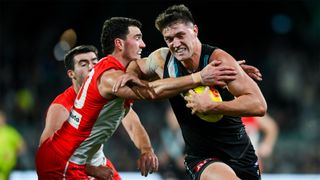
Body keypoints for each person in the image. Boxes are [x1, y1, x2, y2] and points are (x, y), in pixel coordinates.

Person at [35, 17, 229, 179]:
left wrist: (223, 68)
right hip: (62, 163)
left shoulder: (123, 73)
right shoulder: (110, 78)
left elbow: (133, 118)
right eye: (137, 38)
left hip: (87, 158)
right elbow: (153, 92)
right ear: (119, 44)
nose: (143, 44)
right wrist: (200, 78)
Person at [116, 4, 267, 179]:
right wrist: (132, 75)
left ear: (194, 30)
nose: (176, 44)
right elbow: (136, 65)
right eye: (169, 39)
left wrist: (213, 107)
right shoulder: (162, 60)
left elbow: (259, 105)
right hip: (201, 157)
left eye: (180, 35)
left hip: (240, 154)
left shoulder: (219, 62)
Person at [38, 45, 121, 179]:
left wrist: (145, 148)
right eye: (84, 64)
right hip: (76, 171)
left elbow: (131, 121)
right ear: (71, 74)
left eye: (95, 62)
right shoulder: (61, 108)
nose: (91, 67)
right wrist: (93, 170)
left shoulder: (103, 94)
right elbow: (47, 155)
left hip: (98, 162)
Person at [0, 109, 26, 180]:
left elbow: (21, 146)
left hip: (8, 168)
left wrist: (12, 155)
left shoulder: (10, 132)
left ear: (4, 118)